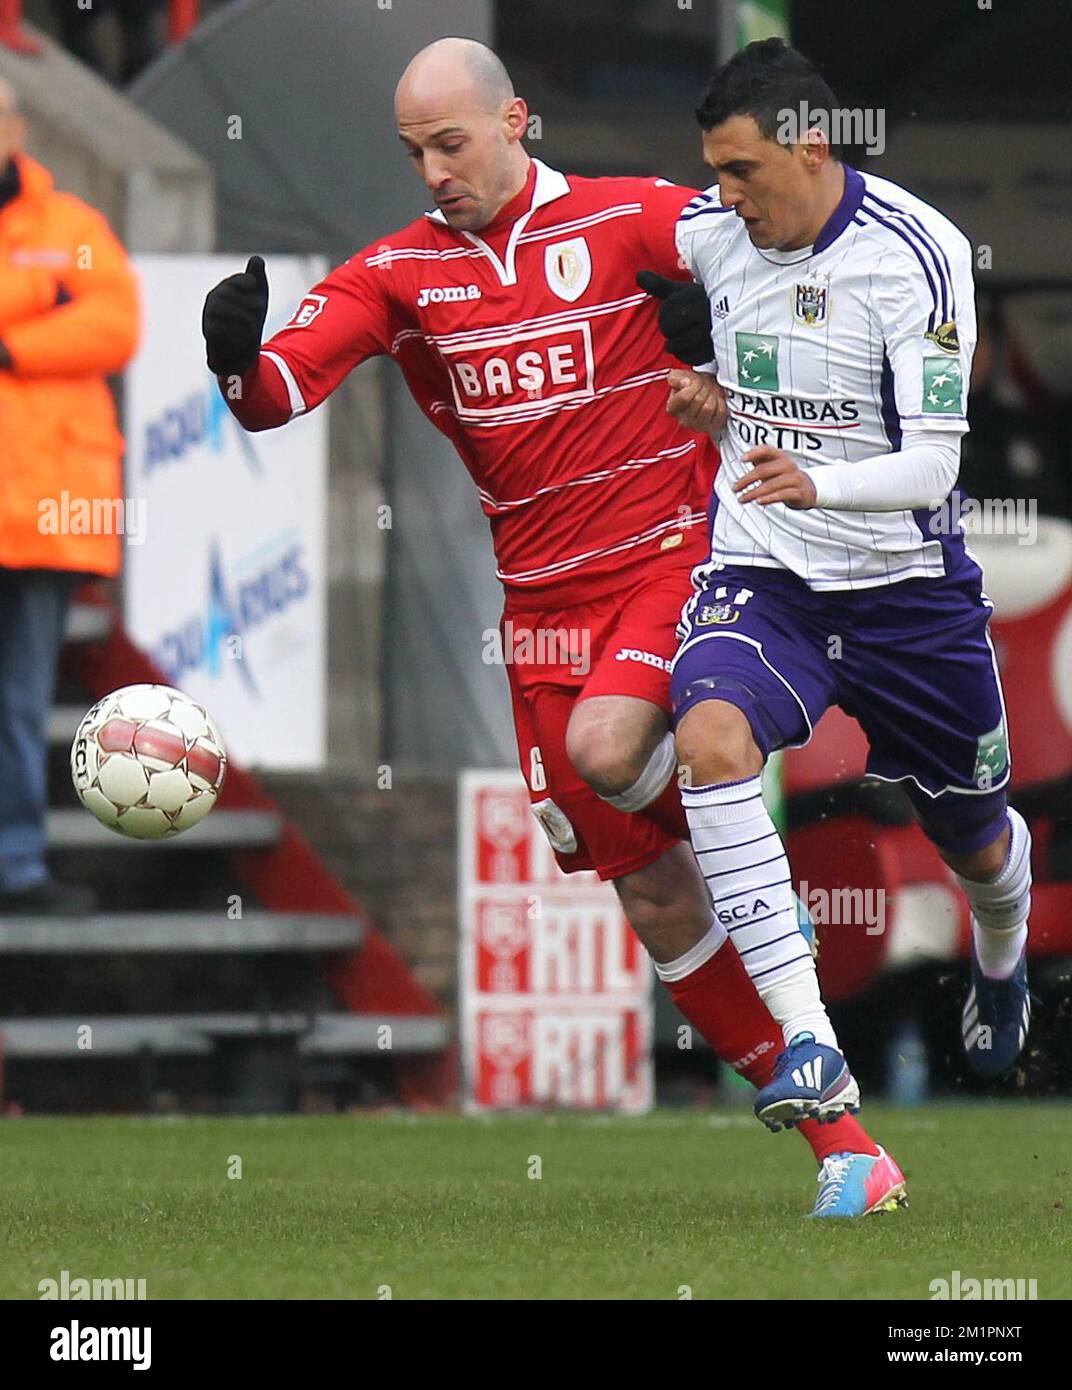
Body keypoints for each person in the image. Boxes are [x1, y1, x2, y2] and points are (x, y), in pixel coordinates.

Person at [202, 37, 905, 1217]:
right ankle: (845, 1145)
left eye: (452, 142)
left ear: (515, 118)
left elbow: (788, 243)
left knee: (604, 754)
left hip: (672, 561)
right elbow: (279, 393)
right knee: (651, 896)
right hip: (538, 615)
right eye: (413, 152)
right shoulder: (397, 276)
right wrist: (232, 363)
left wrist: (734, 350)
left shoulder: (635, 219)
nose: (433, 170)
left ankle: (747, 853)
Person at [639, 38, 1030, 1125]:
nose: (723, 198)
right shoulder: (720, 238)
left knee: (978, 840)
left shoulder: (917, 250)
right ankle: (808, 1040)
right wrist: (713, 405)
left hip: (906, 592)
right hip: (766, 572)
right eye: (712, 172)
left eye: (741, 172)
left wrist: (818, 480)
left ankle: (1002, 960)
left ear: (810, 148)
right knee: (710, 738)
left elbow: (936, 466)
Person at [0, 78, 140, 913]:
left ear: (18, 126)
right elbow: (88, 320)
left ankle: (14, 869)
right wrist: (43, 312)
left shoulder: (71, 227)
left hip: (44, 514)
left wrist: (12, 346)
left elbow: (117, 321)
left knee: (20, 703)